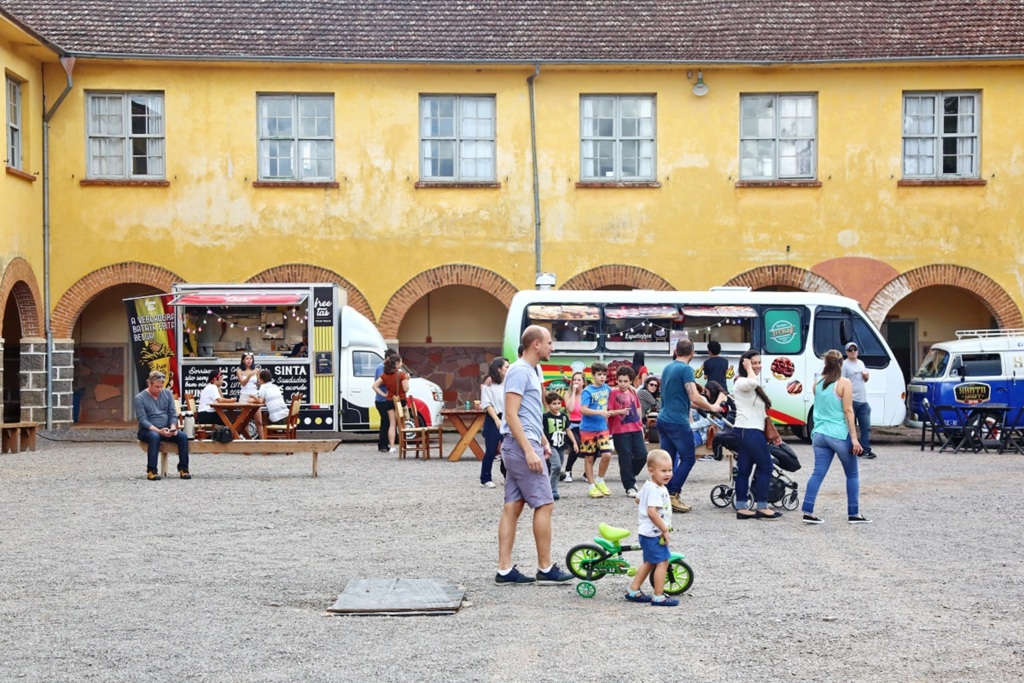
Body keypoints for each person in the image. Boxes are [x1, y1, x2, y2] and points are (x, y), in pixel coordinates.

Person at [495, 325, 573, 585]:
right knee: (545, 503)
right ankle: (545, 568)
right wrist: (529, 450)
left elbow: (528, 412)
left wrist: (542, 440)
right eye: (549, 342)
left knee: (513, 506)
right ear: (536, 344)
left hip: (524, 443)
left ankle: (504, 571)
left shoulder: (533, 370)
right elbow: (511, 413)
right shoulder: (519, 371)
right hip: (520, 446)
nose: (553, 347)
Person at [802, 349, 871, 525]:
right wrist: (855, 438)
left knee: (817, 473)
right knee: (852, 474)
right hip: (839, 434)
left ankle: (808, 511)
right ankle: (854, 513)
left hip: (819, 434)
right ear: (841, 364)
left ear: (826, 363)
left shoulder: (816, 382)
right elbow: (848, 410)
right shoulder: (844, 383)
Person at [658, 338, 724, 513]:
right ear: (692, 353)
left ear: (675, 351)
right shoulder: (686, 369)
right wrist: (712, 407)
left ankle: (664, 495)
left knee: (669, 461)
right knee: (688, 458)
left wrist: (699, 406)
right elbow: (694, 397)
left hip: (663, 419)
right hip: (678, 422)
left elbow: (682, 398)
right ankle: (673, 493)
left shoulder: (668, 367)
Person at [732, 350, 783, 520]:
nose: (758, 366)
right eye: (754, 363)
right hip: (748, 430)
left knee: (744, 469)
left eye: (759, 362)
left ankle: (742, 507)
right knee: (766, 466)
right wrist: (748, 368)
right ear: (745, 364)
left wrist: (773, 434)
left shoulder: (751, 382)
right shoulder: (741, 381)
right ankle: (762, 506)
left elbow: (762, 413)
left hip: (750, 429)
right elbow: (752, 382)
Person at [624, 449, 679, 607]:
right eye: (663, 471)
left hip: (647, 532)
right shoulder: (655, 489)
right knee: (663, 562)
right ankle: (658, 596)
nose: (668, 474)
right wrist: (665, 529)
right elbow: (652, 513)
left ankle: (633, 590)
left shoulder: (650, 485)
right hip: (653, 534)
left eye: (670, 470)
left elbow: (638, 500)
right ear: (651, 471)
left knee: (649, 562)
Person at [579, 362, 625, 499]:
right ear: (593, 375)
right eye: (599, 374)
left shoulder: (607, 389)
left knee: (607, 455)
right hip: (587, 429)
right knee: (589, 458)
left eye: (604, 374)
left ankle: (600, 479)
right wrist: (600, 412)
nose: (602, 377)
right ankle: (591, 486)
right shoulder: (587, 391)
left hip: (602, 428)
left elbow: (618, 393)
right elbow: (583, 409)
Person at [135, 370, 190, 480]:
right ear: (149, 383)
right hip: (148, 430)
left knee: (183, 436)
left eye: (161, 386)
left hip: (167, 428)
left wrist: (173, 427)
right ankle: (152, 470)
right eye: (157, 387)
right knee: (154, 437)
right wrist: (158, 431)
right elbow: (142, 420)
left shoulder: (167, 393)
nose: (160, 389)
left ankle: (183, 469)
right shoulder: (140, 398)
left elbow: (172, 413)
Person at [609, 365, 646, 498]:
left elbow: (637, 408)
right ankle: (629, 486)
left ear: (631, 381)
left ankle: (630, 475)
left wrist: (641, 426)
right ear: (616, 380)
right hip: (620, 431)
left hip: (635, 428)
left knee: (642, 455)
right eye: (620, 381)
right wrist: (618, 412)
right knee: (625, 458)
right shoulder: (613, 393)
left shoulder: (633, 392)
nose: (622, 384)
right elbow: (609, 411)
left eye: (625, 381)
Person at [480, 357, 509, 488]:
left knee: (507, 448)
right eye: (506, 367)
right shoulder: (488, 385)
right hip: (493, 417)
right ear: (499, 369)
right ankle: (485, 478)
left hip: (508, 417)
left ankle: (507, 475)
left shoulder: (509, 382)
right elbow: (487, 404)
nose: (509, 369)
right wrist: (497, 420)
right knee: (491, 449)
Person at [843, 342, 875, 459]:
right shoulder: (844, 365)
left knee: (865, 426)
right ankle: (851, 449)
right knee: (850, 426)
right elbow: (841, 381)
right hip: (850, 399)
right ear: (846, 352)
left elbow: (865, 379)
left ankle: (866, 449)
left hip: (862, 400)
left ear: (857, 351)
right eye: (850, 350)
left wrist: (866, 377)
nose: (853, 352)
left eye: (854, 349)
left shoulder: (861, 363)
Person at [372, 354, 409, 454]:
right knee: (401, 423)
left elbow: (374, 386)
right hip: (400, 400)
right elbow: (405, 389)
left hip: (389, 400)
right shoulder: (402, 375)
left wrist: (384, 394)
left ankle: (392, 446)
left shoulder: (385, 375)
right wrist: (407, 380)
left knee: (392, 424)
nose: (401, 363)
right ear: (397, 363)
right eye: (400, 362)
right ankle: (403, 443)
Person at [542, 391, 575, 500]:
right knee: (556, 466)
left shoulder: (564, 416)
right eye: (554, 403)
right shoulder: (545, 417)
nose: (557, 406)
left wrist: (574, 443)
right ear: (548, 404)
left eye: (559, 403)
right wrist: (543, 443)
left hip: (561, 445)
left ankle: (551, 488)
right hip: (551, 445)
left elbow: (568, 430)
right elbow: (541, 431)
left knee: (557, 467)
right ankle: (552, 490)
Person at [561, 371, 586, 483]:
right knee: (576, 447)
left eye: (579, 380)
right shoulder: (568, 393)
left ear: (584, 382)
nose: (576, 382)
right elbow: (570, 409)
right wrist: (574, 392)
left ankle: (587, 474)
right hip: (572, 425)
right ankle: (568, 471)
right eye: (574, 379)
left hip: (585, 425)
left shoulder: (587, 393)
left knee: (593, 449)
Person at [374, 349, 398, 452]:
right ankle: (383, 444)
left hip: (387, 399)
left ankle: (384, 443)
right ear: (388, 358)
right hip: (382, 400)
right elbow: (382, 382)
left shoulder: (387, 368)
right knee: (386, 421)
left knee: (386, 422)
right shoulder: (381, 368)